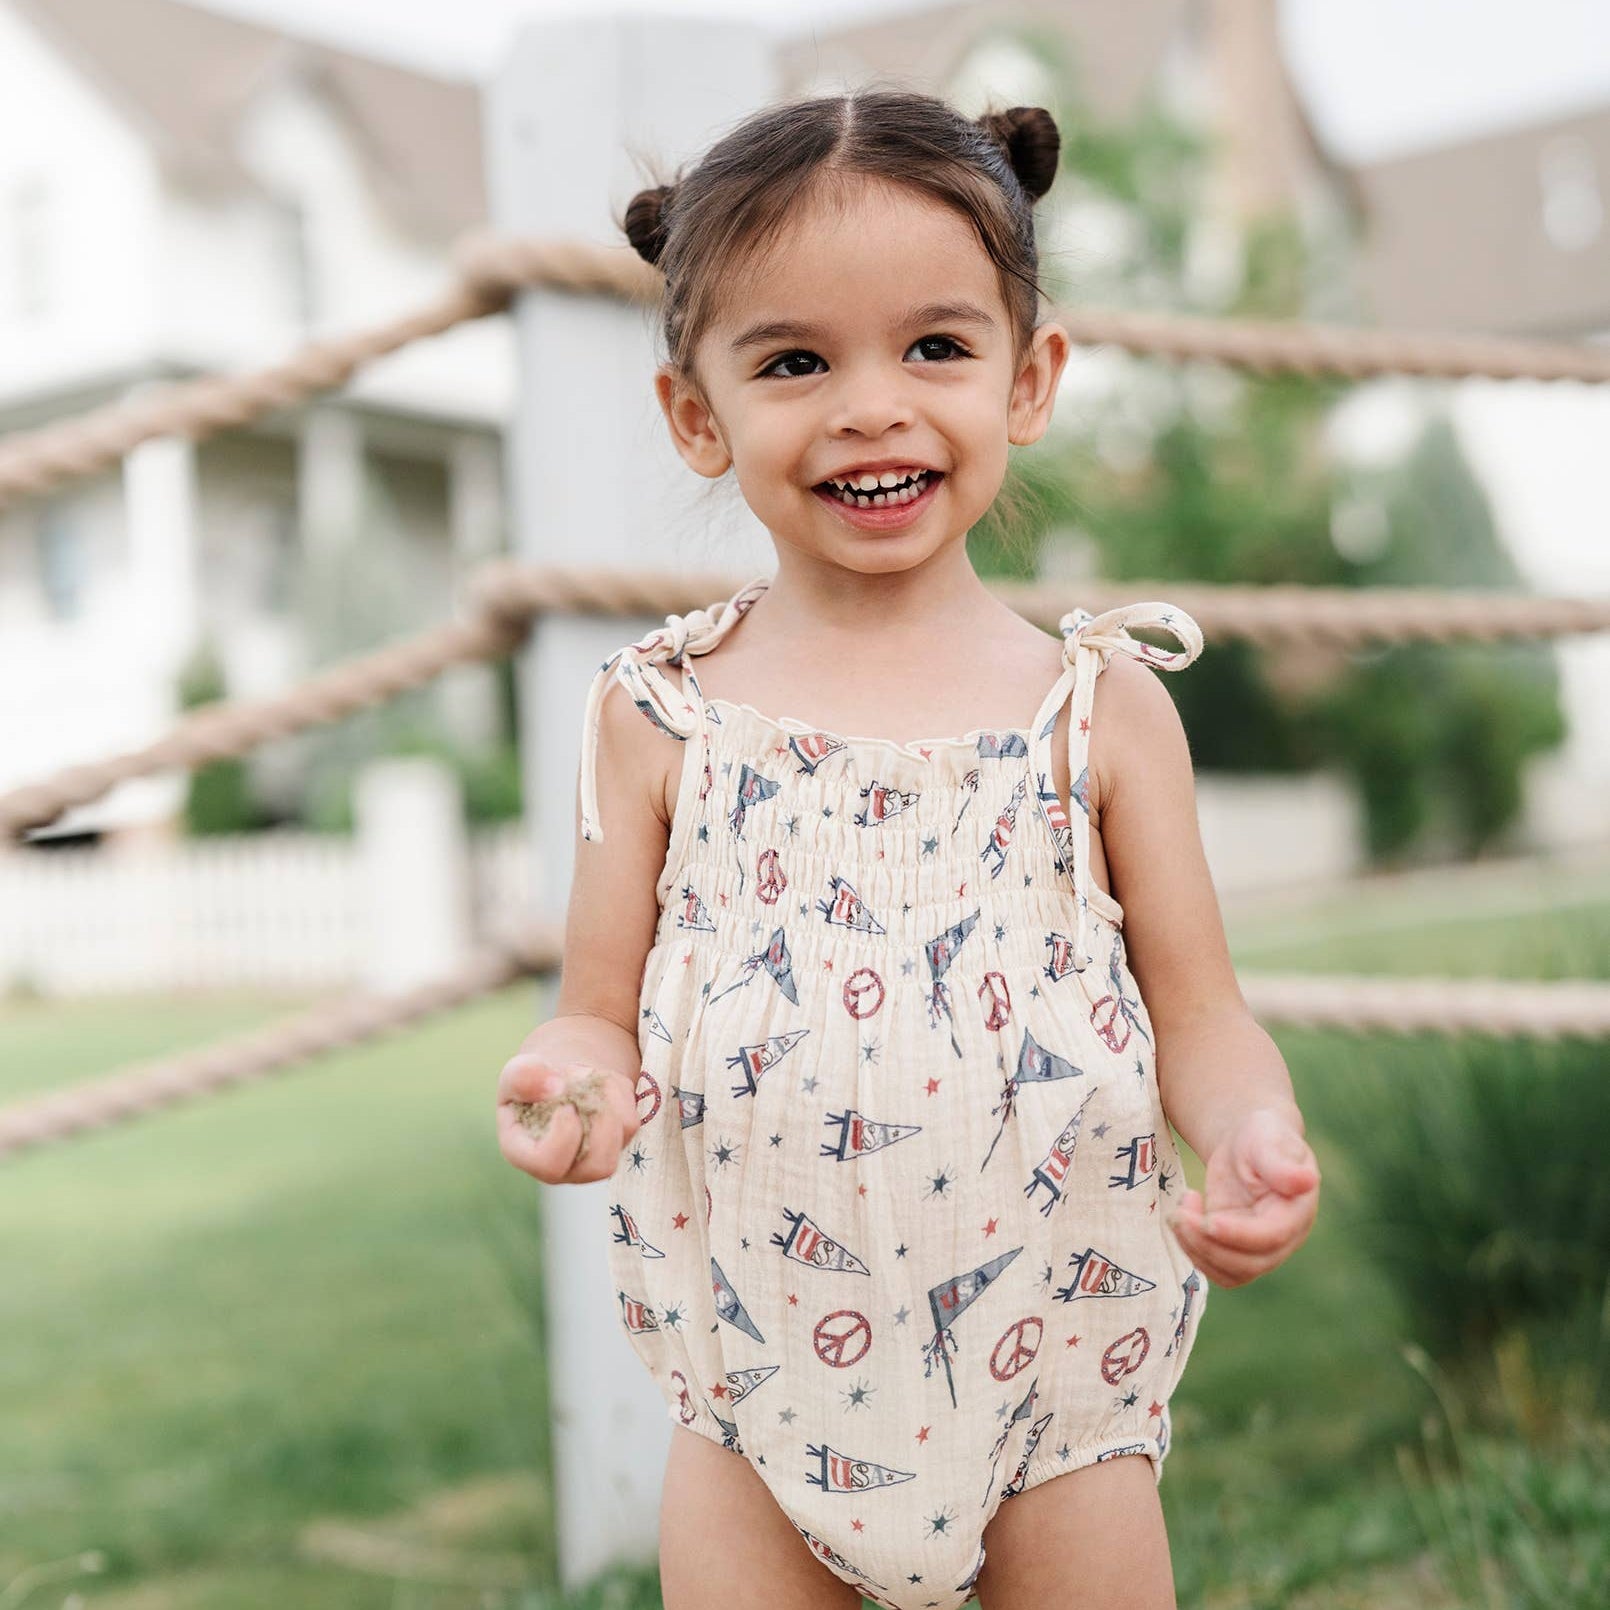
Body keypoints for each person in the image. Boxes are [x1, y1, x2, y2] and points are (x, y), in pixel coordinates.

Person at [495, 88, 1321, 1610]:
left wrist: (1250, 1129)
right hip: (754, 1380)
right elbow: (596, 1002)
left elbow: (1199, 1013)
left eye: (934, 346)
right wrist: (575, 1079)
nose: (869, 405)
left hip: (1056, 1368)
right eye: (794, 361)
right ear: (696, 411)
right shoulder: (663, 717)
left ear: (1029, 377)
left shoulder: (1102, 713)